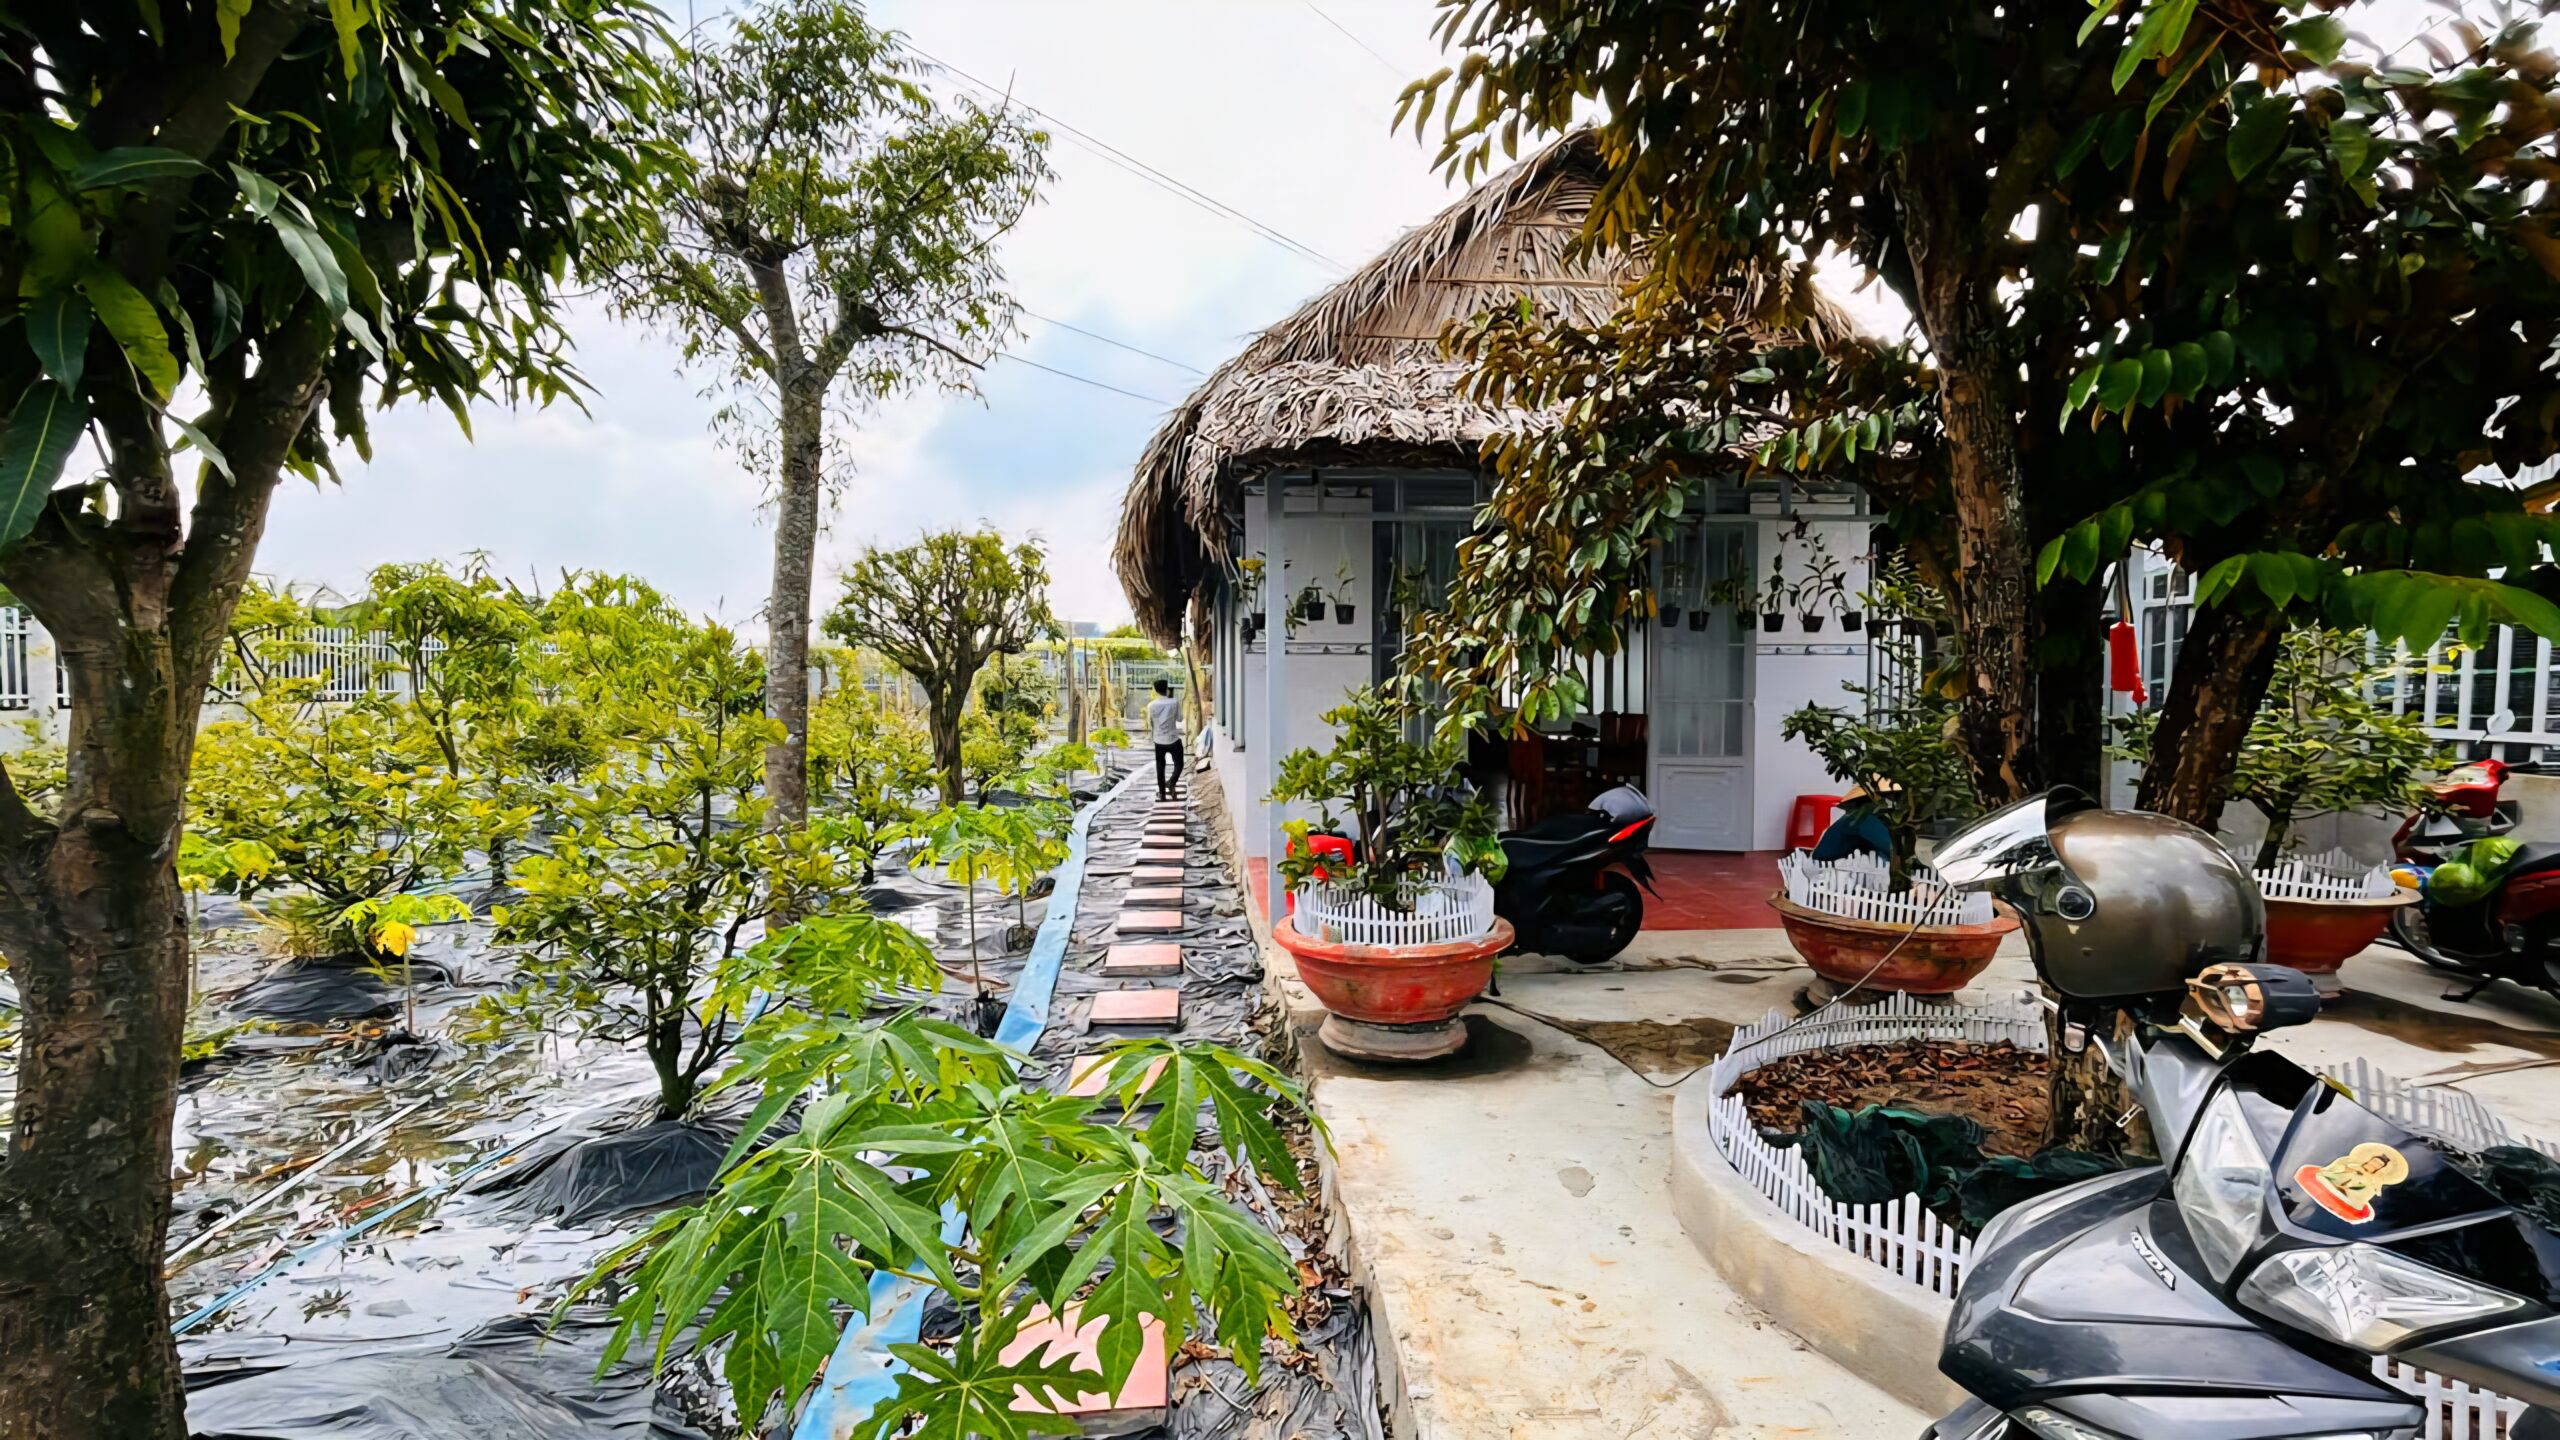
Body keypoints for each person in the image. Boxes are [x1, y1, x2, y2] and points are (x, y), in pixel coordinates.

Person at [1147, 679, 1183, 800]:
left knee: (1160, 767)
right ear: (1167, 688)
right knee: (1179, 764)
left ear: (1155, 690)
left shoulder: (1151, 705)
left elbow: (1150, 723)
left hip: (1159, 740)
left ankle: (1162, 794)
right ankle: (1172, 782)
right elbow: (1179, 718)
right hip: (1173, 738)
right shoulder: (1174, 702)